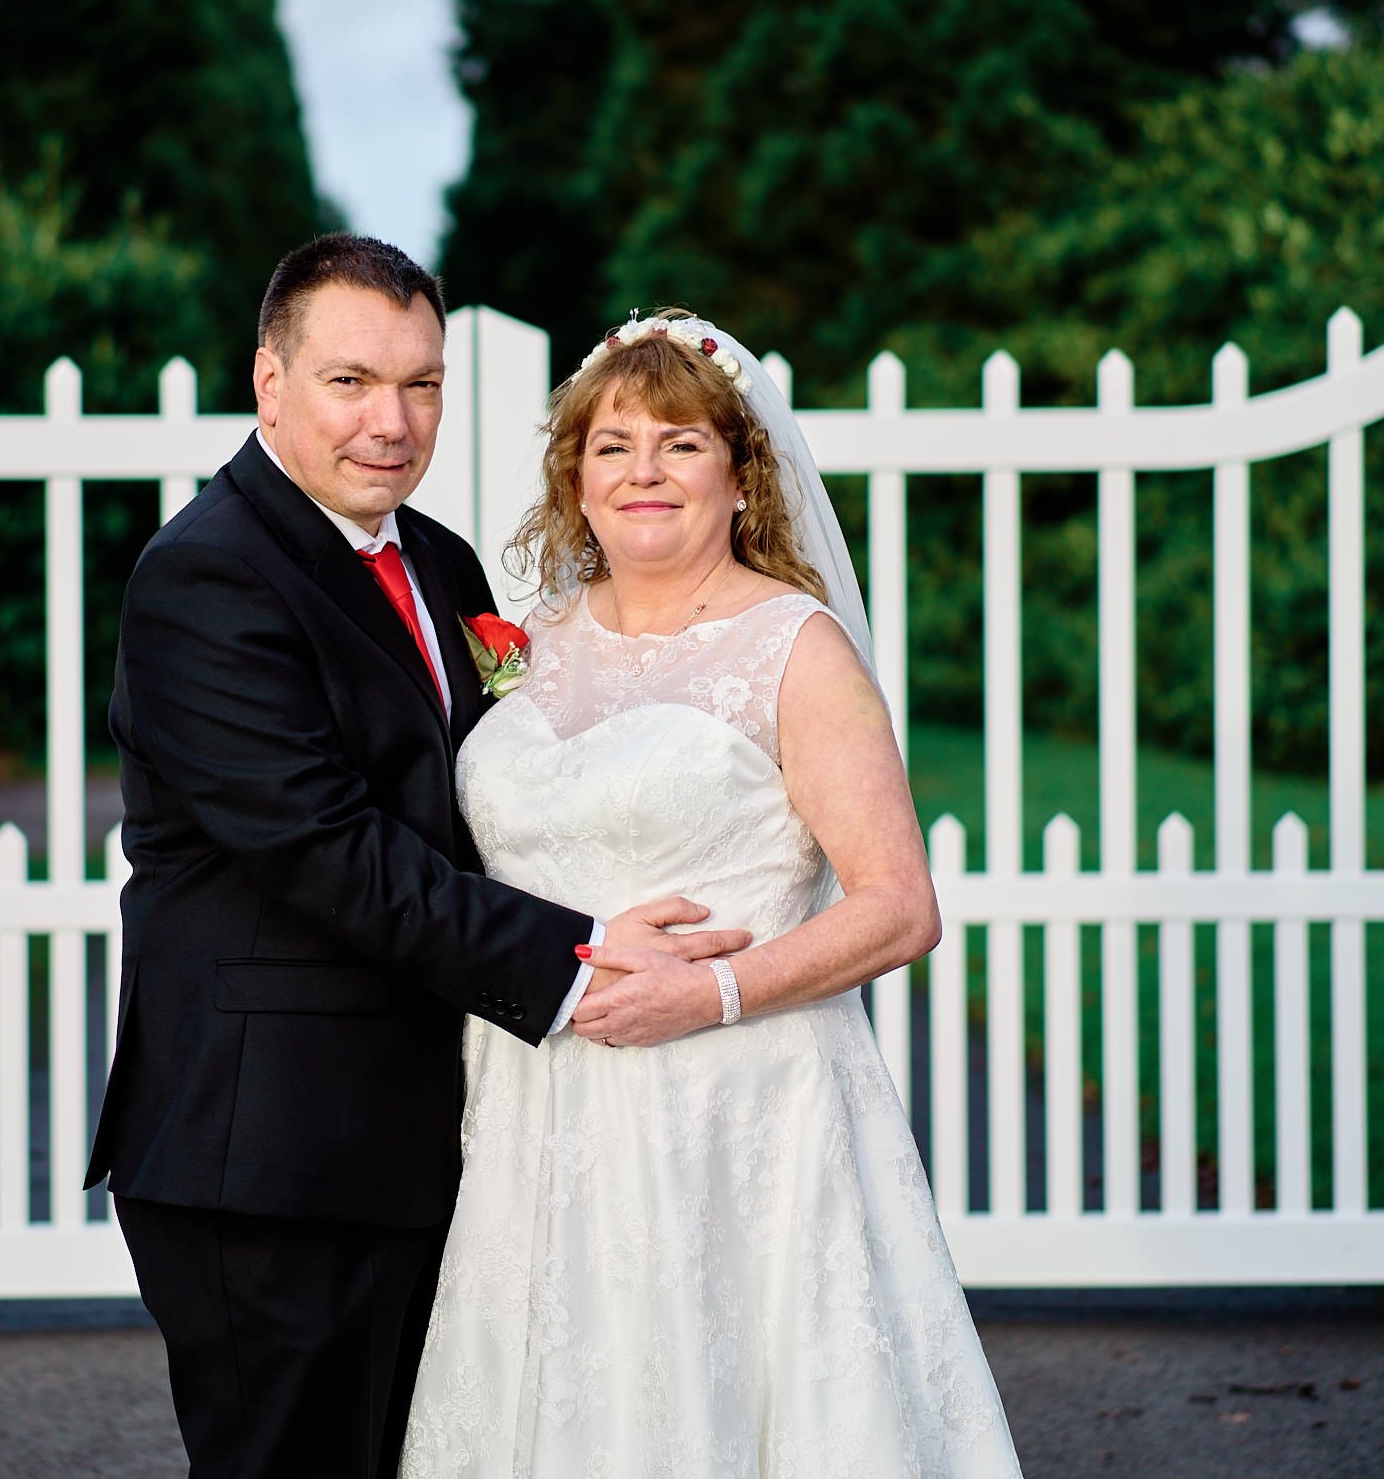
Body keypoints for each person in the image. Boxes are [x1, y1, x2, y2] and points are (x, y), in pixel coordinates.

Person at [83, 239, 751, 1479]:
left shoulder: (438, 563)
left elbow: (503, 797)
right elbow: (329, 853)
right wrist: (583, 953)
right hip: (267, 1152)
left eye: (422, 384)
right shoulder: (206, 577)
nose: (391, 422)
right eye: (350, 381)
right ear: (268, 382)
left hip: (423, 1136)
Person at [400, 312, 1022, 1476]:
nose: (643, 472)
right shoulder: (526, 646)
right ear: (573, 480)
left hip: (734, 1113)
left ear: (740, 477)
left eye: (680, 444)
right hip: (534, 1107)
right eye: (612, 445)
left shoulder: (796, 647)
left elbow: (899, 903)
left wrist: (716, 990)